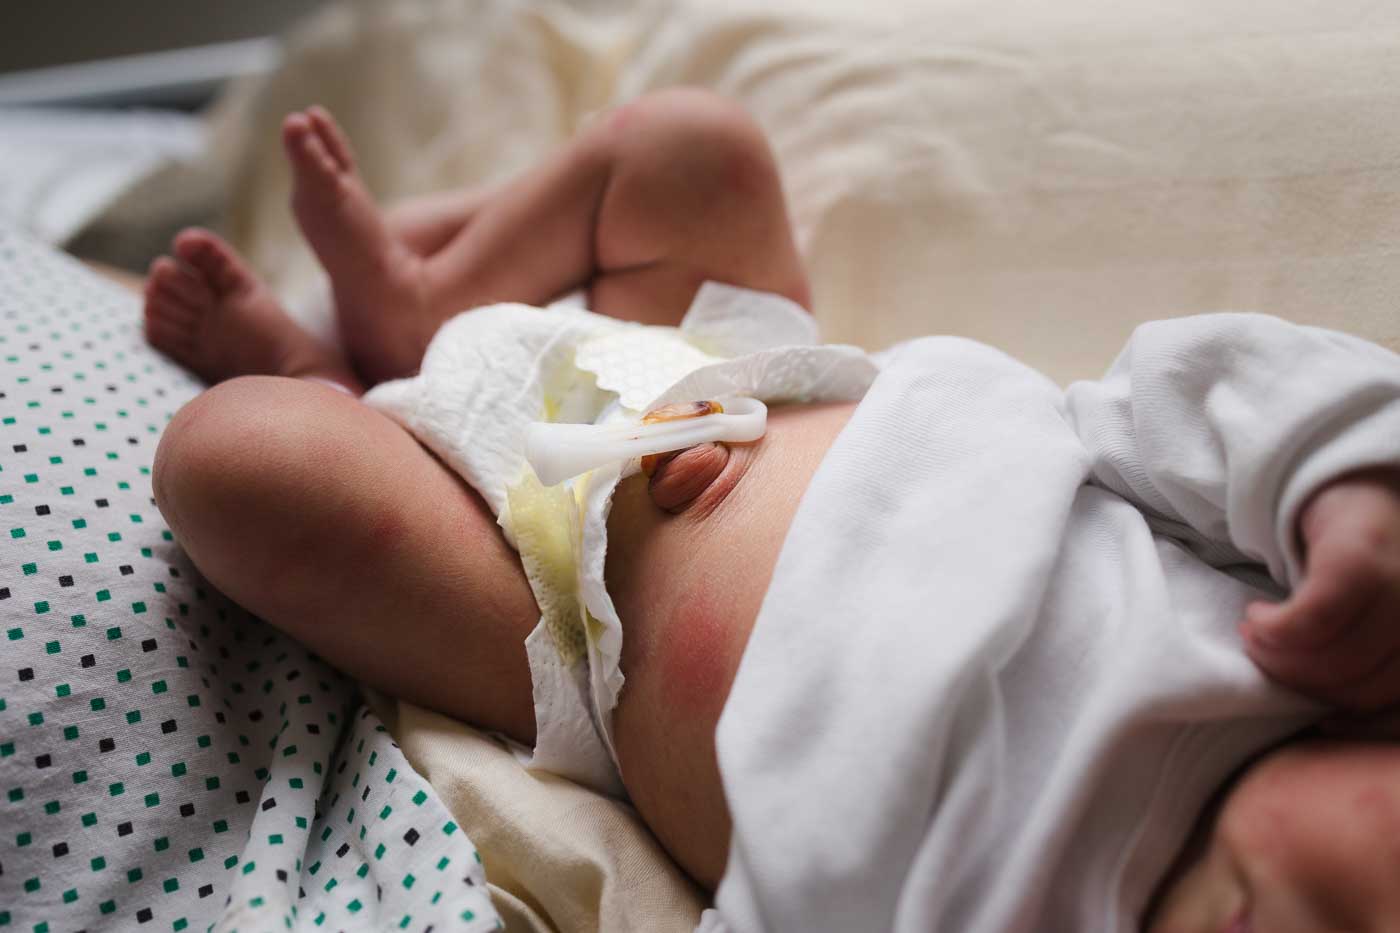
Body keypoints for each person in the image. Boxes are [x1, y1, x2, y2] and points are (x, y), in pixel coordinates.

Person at [140, 89, 1400, 931]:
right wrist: (1351, 491)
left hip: (556, 626)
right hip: (752, 369)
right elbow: (1197, 398)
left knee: (237, 461)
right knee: (691, 150)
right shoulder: (1322, 641)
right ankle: (428, 305)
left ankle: (334, 382)